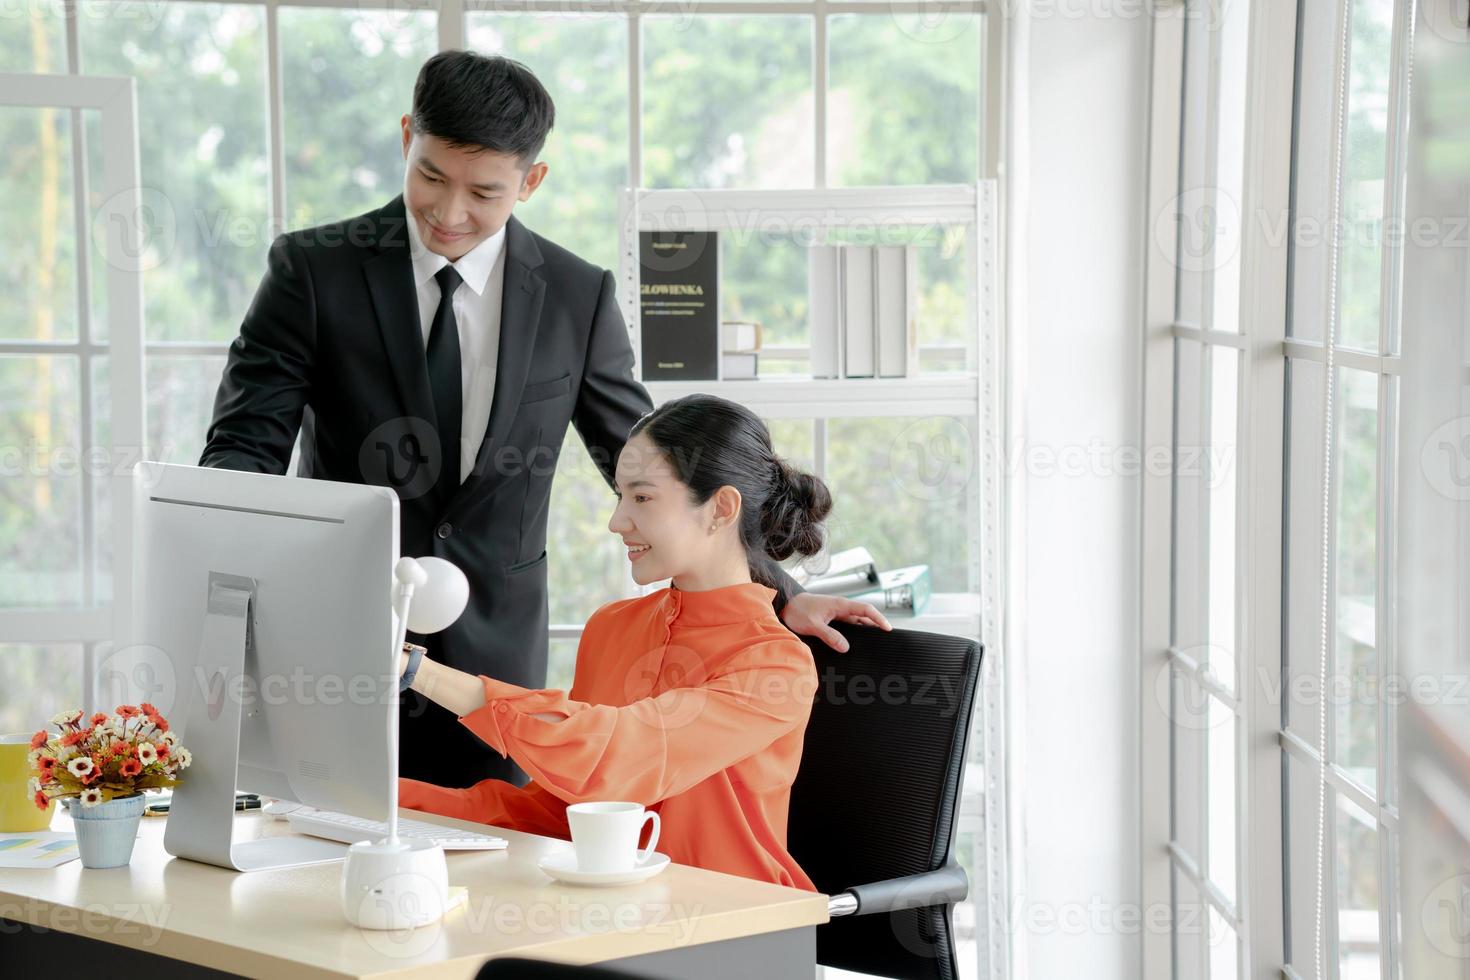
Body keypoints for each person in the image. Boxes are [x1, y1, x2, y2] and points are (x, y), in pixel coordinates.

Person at [199, 51, 889, 788]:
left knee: (493, 868)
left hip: (496, 666)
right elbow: (242, 452)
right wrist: (250, 594)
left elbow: (666, 471)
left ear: (531, 181)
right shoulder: (312, 271)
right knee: (319, 846)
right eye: (431, 175)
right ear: (407, 136)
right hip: (340, 638)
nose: (449, 211)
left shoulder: (575, 295)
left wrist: (776, 590)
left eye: (484, 192)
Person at [398, 395, 887, 888]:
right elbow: (561, 814)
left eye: (642, 497)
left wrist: (416, 670)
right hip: (615, 913)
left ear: (720, 509)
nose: (617, 521)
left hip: (734, 924)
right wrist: (378, 802)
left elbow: (610, 760)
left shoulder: (774, 665)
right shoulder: (611, 627)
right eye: (619, 496)